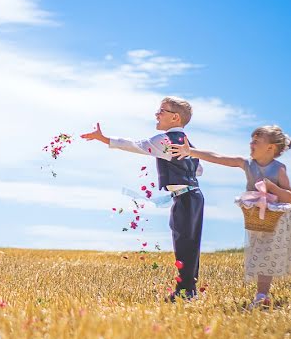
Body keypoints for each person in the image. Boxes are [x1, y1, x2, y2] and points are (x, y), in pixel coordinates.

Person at [169, 124, 291, 309]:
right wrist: (191, 151)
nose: (250, 143)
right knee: (268, 256)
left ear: (270, 148)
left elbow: (290, 197)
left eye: (256, 141)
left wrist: (273, 188)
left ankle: (262, 296)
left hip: (279, 220)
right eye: (251, 140)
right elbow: (220, 157)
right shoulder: (247, 164)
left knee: (274, 258)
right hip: (260, 220)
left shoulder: (278, 169)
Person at [82, 96, 205, 300]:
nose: (156, 114)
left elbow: (135, 145)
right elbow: (198, 170)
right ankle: (189, 289)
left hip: (184, 199)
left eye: (161, 111)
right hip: (194, 196)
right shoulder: (188, 143)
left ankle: (186, 291)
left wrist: (105, 139)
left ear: (175, 118)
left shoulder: (165, 139)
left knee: (183, 242)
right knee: (191, 243)